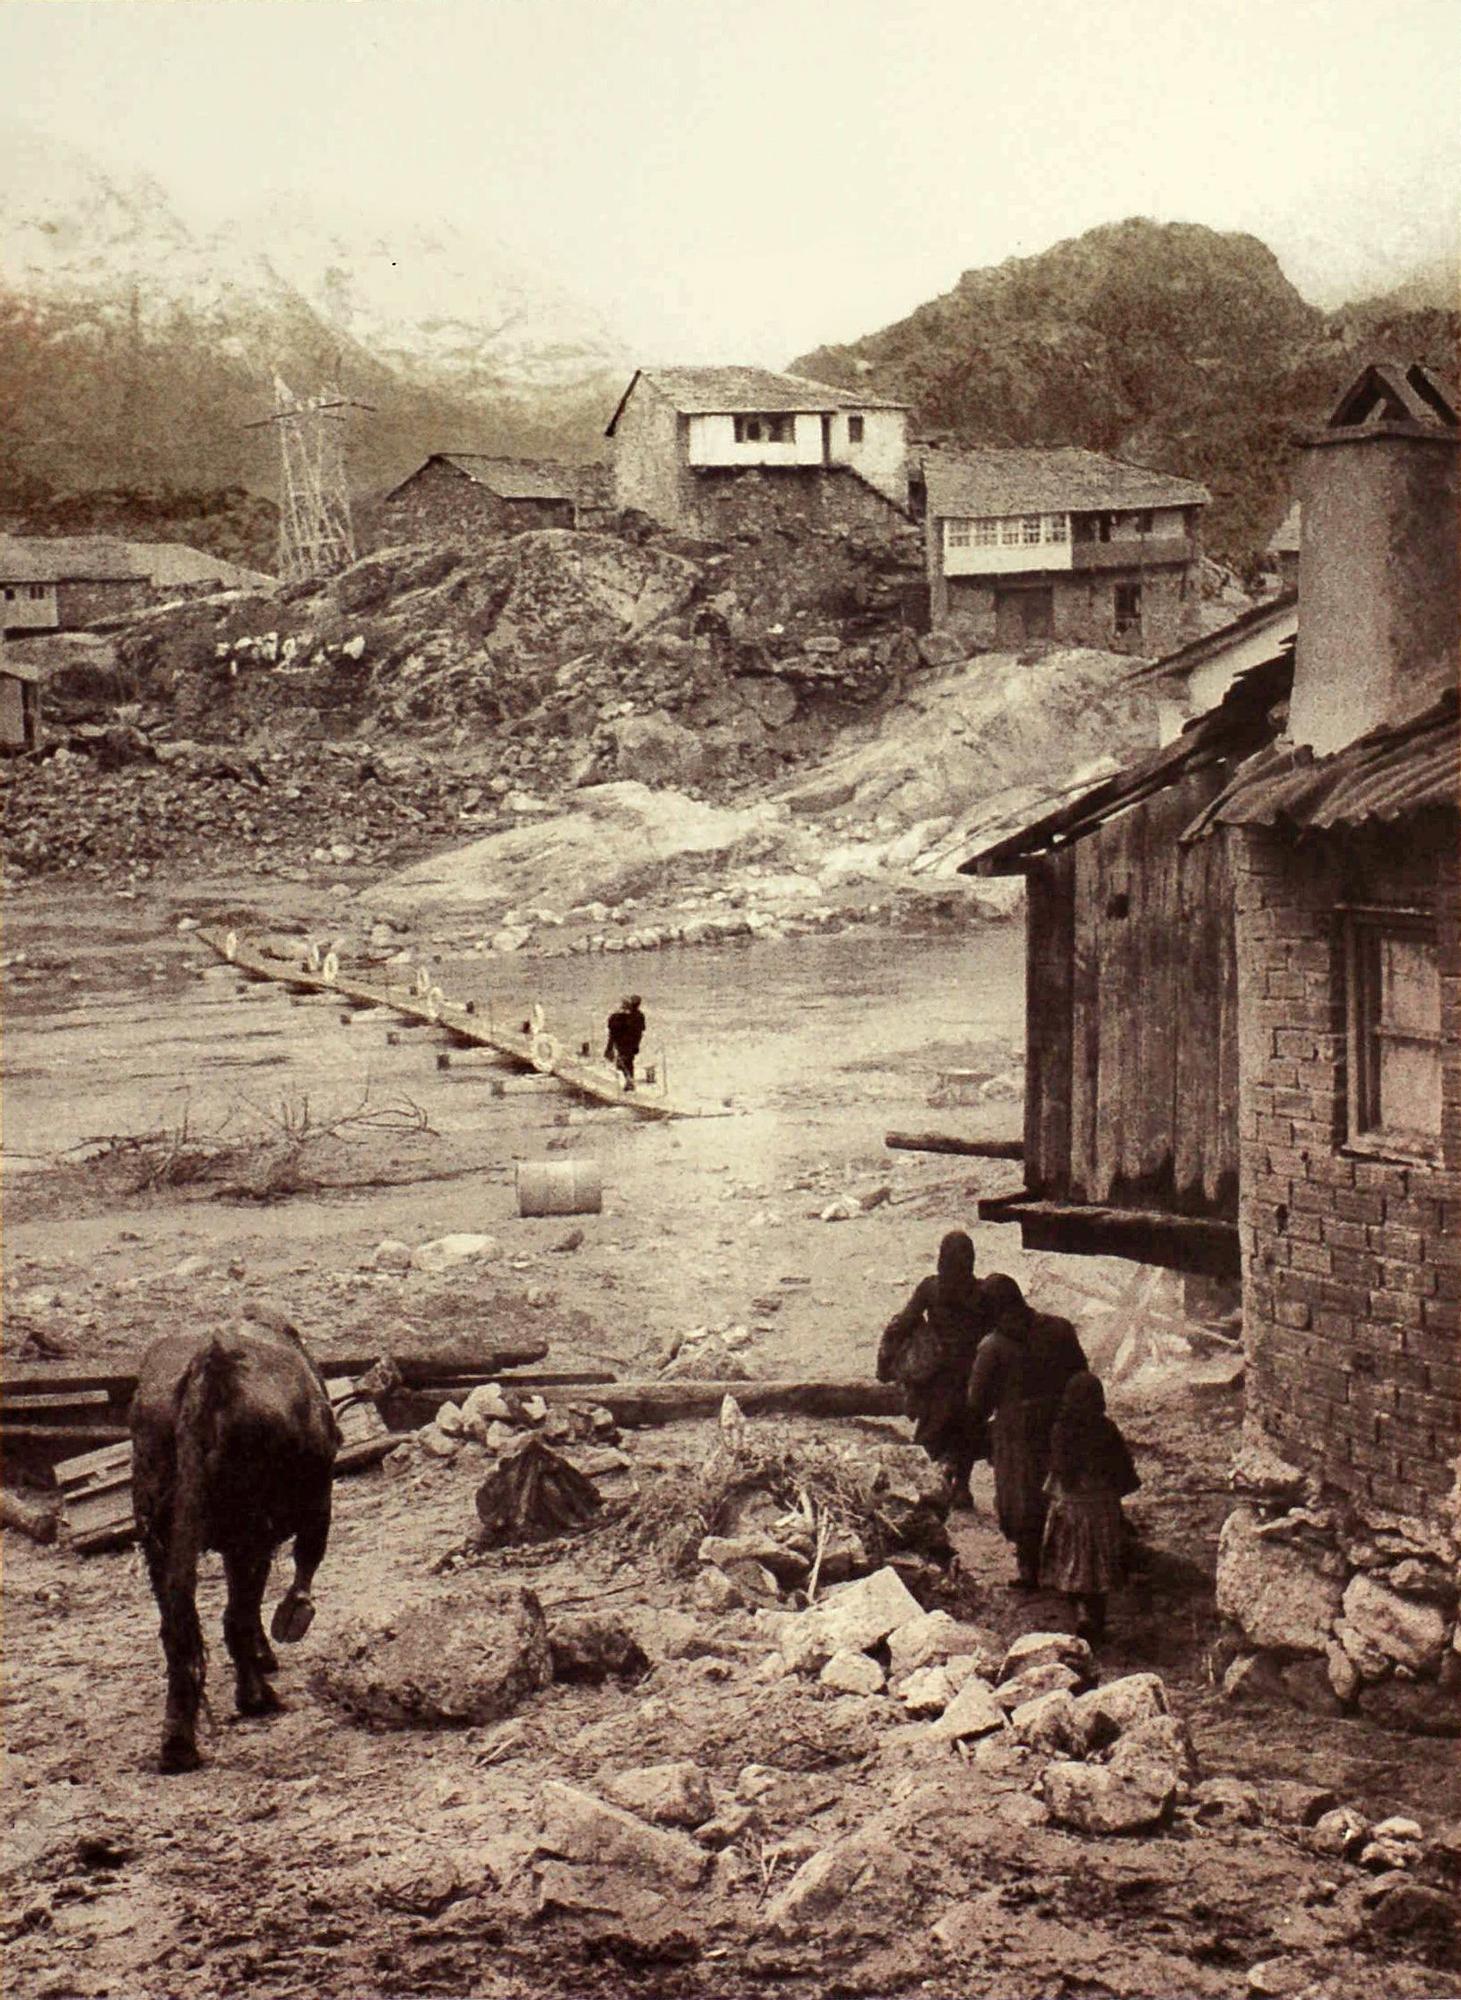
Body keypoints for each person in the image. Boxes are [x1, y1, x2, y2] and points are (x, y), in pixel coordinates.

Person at [965, 1274, 1087, 1589]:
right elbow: (1081, 1375)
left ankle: (1029, 1569)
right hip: (1060, 1424)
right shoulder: (1059, 1329)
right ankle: (1069, 1563)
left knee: (1020, 1499)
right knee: (1060, 1492)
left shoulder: (992, 1348)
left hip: (1015, 1433)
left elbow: (977, 1401)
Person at [876, 1230, 991, 1509]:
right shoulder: (983, 1293)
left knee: (930, 1433)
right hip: (973, 1374)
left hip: (937, 1377)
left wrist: (888, 1362)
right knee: (968, 1431)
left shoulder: (930, 1289)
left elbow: (903, 1323)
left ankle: (927, 1488)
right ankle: (961, 1488)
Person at [1039, 1370, 1140, 1643]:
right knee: (1100, 1567)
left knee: (1072, 1564)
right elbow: (1124, 1472)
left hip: (1072, 1508)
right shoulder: (1106, 1429)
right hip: (1101, 1509)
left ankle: (1080, 1610)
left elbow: (1058, 1469)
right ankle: (1097, 1617)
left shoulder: (1061, 1429)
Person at [604, 995, 646, 1090]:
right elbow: (639, 1032)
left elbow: (613, 1032)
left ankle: (629, 1082)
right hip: (627, 1042)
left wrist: (610, 1047)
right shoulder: (637, 1016)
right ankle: (628, 1080)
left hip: (626, 1042)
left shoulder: (629, 1016)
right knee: (626, 1062)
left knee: (625, 1061)